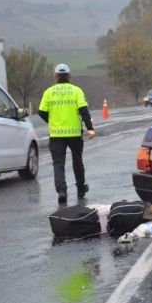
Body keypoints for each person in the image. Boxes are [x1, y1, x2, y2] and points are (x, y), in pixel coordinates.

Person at [38, 64, 96, 204]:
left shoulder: (49, 92)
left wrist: (51, 121)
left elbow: (41, 112)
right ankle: (81, 189)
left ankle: (62, 191)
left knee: (58, 164)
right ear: (69, 75)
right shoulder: (76, 91)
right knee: (77, 161)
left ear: (56, 76)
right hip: (74, 134)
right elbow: (84, 111)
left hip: (56, 134)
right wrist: (90, 128)